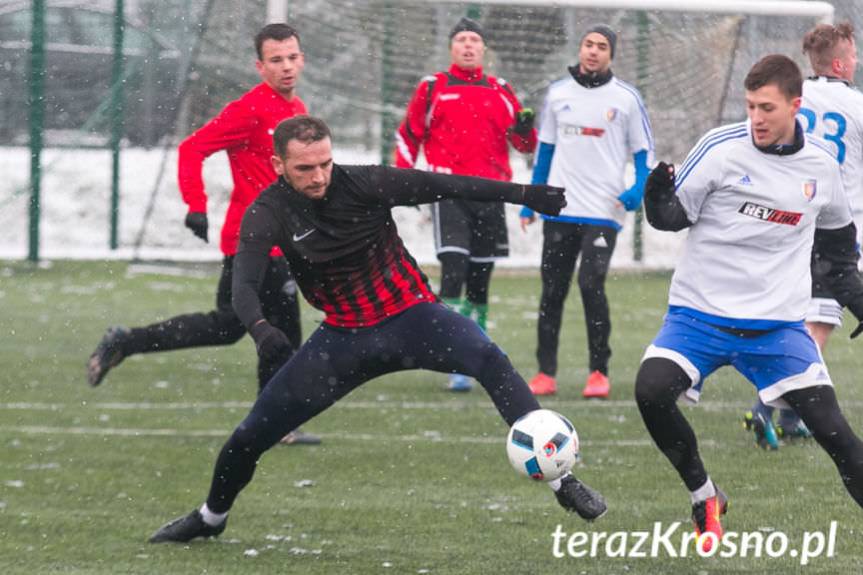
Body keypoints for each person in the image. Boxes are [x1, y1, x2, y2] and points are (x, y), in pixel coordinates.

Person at [148, 115, 607, 544]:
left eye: (325, 163)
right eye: (305, 168)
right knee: (249, 436)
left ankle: (562, 480)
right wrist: (262, 329)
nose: (319, 176)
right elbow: (243, 287)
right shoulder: (266, 212)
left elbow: (442, 183)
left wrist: (525, 194)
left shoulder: (364, 182)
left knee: (489, 357)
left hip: (415, 319)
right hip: (344, 340)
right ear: (278, 164)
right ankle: (211, 517)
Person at [636, 54, 863, 550]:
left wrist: (858, 300)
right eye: (749, 106)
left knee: (839, 438)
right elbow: (675, 216)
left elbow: (838, 253)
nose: (756, 118)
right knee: (651, 390)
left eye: (766, 107)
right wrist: (656, 202)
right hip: (699, 316)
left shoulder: (822, 167)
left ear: (795, 106)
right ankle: (704, 494)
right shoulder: (720, 148)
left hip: (777, 329)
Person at [86, 23, 319, 445]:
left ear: (302, 59)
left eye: (292, 57)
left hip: (279, 239)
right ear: (260, 65)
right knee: (274, 331)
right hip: (252, 239)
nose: (286, 66)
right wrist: (195, 203)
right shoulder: (250, 109)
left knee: (236, 326)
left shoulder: (296, 108)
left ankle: (128, 341)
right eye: (276, 60)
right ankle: (273, 422)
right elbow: (192, 147)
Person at [394, 17, 538, 391]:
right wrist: (401, 181)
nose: (469, 45)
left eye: (475, 39)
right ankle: (452, 351)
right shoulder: (433, 87)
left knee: (480, 281)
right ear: (451, 48)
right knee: (454, 269)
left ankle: (476, 352)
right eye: (462, 39)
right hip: (449, 191)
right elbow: (410, 133)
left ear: (484, 49)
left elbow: (524, 145)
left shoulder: (501, 89)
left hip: (490, 194)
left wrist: (525, 129)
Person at [745, 22, 863, 449]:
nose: (856, 62)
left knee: (792, 316)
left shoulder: (792, 99)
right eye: (852, 56)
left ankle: (792, 417)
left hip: (788, 219)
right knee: (817, 324)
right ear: (839, 62)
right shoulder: (856, 104)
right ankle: (766, 405)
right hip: (834, 228)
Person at [520, 24, 653, 399]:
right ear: (580, 50)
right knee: (552, 291)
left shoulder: (627, 98)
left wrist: (638, 188)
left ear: (612, 54)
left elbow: (644, 153)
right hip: (560, 209)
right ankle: (545, 373)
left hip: (602, 210)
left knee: (591, 284)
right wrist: (533, 198)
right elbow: (545, 149)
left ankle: (599, 372)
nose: (593, 51)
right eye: (588, 44)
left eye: (602, 46)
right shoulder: (558, 94)